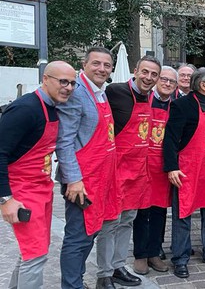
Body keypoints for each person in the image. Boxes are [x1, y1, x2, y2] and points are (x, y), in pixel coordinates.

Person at [0, 61, 76, 288]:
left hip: (41, 189)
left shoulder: (52, 107)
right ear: (45, 79)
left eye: (73, 83)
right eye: (63, 81)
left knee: (31, 253)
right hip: (22, 192)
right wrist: (6, 199)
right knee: (35, 256)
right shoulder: (26, 109)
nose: (68, 88)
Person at [56, 47, 117, 289]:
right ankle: (71, 285)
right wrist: (73, 180)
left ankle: (77, 280)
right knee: (77, 238)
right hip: (82, 180)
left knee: (90, 233)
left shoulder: (101, 93)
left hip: (100, 178)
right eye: (96, 64)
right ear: (85, 64)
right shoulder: (78, 93)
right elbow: (65, 141)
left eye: (106, 65)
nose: (101, 69)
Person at [96, 55, 160, 287]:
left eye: (154, 74)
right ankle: (103, 275)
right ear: (135, 70)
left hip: (137, 172)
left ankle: (118, 266)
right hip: (115, 170)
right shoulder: (115, 92)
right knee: (110, 222)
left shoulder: (150, 97)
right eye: (145, 72)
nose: (148, 78)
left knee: (127, 221)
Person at [163, 68, 205, 278]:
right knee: (183, 214)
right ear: (202, 85)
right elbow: (171, 139)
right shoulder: (182, 105)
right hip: (188, 170)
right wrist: (172, 167)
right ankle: (180, 258)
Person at [132, 66, 178, 276]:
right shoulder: (143, 100)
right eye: (164, 79)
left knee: (159, 212)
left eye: (172, 81)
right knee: (141, 212)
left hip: (162, 167)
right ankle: (140, 255)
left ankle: (154, 252)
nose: (167, 84)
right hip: (142, 163)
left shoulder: (176, 107)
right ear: (157, 80)